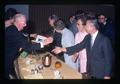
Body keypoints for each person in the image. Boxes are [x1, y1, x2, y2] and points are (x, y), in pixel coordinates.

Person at [52, 12, 114, 79]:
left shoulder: (104, 40)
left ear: (92, 26)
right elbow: (77, 47)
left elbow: (109, 59)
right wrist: (61, 49)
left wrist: (107, 75)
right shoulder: (88, 37)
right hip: (90, 71)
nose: (84, 27)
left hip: (101, 73)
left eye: (86, 25)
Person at [5, 14, 53, 79]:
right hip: (7, 60)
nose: (25, 25)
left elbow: (22, 35)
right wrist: (43, 43)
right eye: (24, 23)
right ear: (19, 23)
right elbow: (27, 46)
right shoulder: (14, 32)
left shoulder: (13, 28)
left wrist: (31, 35)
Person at [72, 14, 88, 78]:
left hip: (91, 61)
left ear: (84, 25)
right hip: (82, 61)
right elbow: (76, 48)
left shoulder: (89, 34)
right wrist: (75, 55)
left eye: (78, 24)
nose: (76, 26)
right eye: (76, 24)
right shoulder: (77, 35)